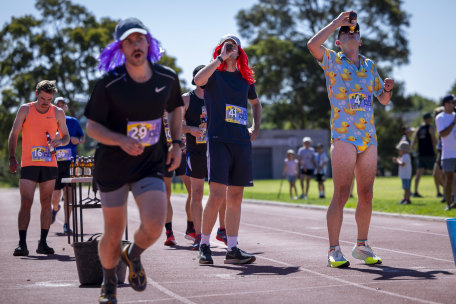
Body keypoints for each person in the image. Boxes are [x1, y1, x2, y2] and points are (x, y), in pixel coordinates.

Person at [84, 17, 184, 303]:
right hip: (113, 164)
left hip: (149, 162)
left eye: (139, 39)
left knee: (154, 224)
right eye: (128, 41)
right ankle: (108, 284)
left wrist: (176, 143)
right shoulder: (109, 83)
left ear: (148, 43)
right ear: (121, 48)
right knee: (113, 232)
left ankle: (133, 254)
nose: (135, 45)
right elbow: (92, 127)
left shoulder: (166, 78)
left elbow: (175, 108)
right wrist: (121, 140)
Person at [308, 11, 394, 268]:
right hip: (344, 136)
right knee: (342, 193)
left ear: (360, 40)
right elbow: (312, 45)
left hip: (369, 136)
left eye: (354, 31)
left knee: (366, 194)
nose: (350, 33)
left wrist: (387, 89)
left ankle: (362, 245)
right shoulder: (332, 60)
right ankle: (334, 249)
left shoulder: (369, 66)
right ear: (338, 41)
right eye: (345, 32)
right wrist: (337, 21)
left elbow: (383, 99)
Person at [194, 34, 262, 265]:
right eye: (227, 45)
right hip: (218, 139)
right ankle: (204, 245)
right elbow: (197, 80)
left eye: (234, 45)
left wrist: (256, 125)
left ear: (240, 50)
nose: (231, 48)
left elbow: (255, 103)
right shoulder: (213, 74)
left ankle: (232, 248)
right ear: (220, 48)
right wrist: (219, 59)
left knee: (236, 196)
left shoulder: (245, 79)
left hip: (241, 142)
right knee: (216, 194)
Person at [8, 80, 70, 256]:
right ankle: (22, 244)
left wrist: (60, 141)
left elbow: (66, 137)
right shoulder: (25, 109)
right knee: (26, 201)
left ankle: (42, 243)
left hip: (49, 164)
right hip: (29, 162)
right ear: (37, 94)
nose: (45, 103)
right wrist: (12, 157)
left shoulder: (57, 112)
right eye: (42, 98)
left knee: (46, 203)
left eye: (49, 99)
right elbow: (14, 133)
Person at [182, 65, 227, 250]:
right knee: (197, 193)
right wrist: (191, 129)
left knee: (220, 193)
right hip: (196, 151)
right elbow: (175, 125)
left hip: (215, 149)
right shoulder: (186, 99)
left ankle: (222, 229)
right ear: (195, 79)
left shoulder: (216, 97)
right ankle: (198, 234)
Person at [51, 97, 85, 234]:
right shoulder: (49, 121)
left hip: (71, 162)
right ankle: (55, 209)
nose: (60, 107)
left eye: (62, 105)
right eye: (57, 105)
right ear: (54, 107)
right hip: (55, 162)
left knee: (70, 194)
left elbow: (82, 138)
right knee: (55, 197)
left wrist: (78, 140)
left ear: (65, 107)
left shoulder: (73, 121)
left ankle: (66, 223)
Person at [162, 111, 194, 246]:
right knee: (166, 194)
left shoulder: (182, 108)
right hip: (164, 156)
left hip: (183, 153)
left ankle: (190, 228)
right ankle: (169, 232)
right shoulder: (155, 108)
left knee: (194, 192)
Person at [435, 95, 456, 211]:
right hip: (448, 154)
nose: (454, 105)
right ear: (446, 104)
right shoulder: (440, 117)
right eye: (452, 102)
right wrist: (453, 123)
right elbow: (443, 134)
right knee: (448, 180)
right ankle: (448, 203)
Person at [410, 113, 437, 197]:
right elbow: (434, 140)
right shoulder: (431, 128)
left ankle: (415, 191)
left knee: (418, 174)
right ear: (428, 119)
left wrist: (411, 150)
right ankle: (439, 192)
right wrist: (437, 150)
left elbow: (414, 140)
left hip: (421, 154)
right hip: (430, 154)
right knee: (437, 173)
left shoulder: (419, 128)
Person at [432, 107, 445, 201]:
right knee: (436, 174)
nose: (434, 117)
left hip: (446, 152)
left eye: (436, 114)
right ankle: (448, 193)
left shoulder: (444, 123)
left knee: (446, 175)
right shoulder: (437, 126)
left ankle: (449, 194)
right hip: (440, 152)